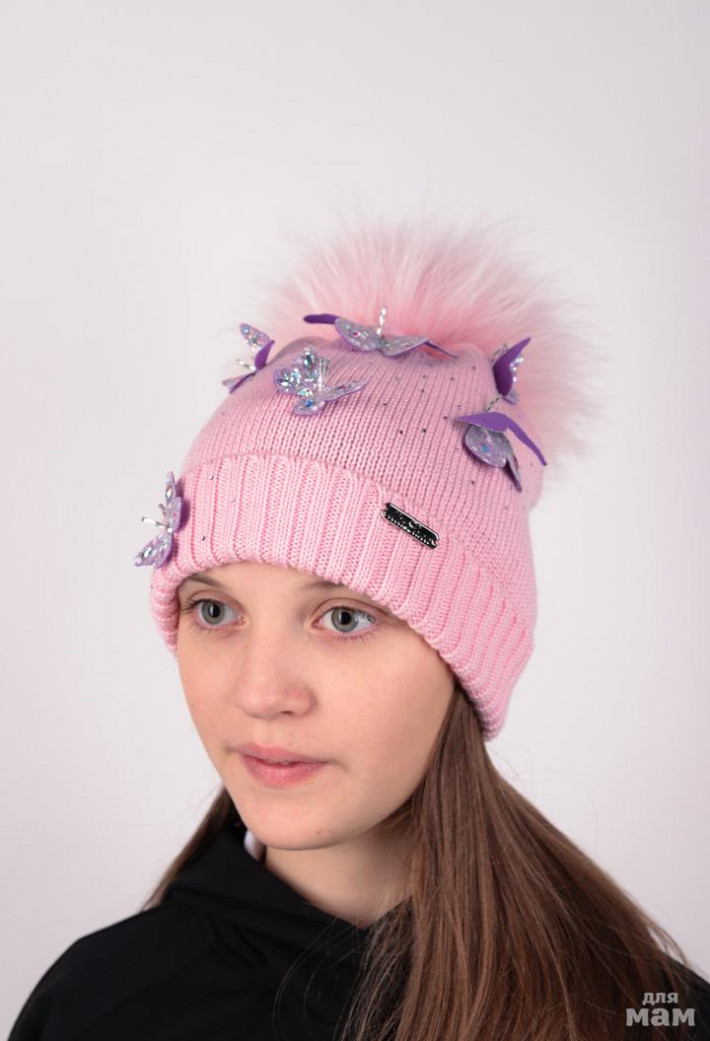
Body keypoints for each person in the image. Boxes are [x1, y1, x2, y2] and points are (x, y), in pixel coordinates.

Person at [9, 215, 710, 1041]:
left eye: (343, 616)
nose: (261, 693)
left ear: (466, 654)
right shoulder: (101, 1010)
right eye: (215, 610)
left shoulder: (643, 1011)